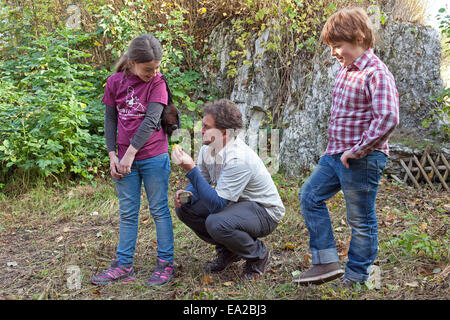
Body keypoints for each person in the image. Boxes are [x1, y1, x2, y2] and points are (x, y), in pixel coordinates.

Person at [293, 7, 399, 287]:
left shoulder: (376, 73)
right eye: (331, 47)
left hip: (362, 159)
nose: (333, 53)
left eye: (337, 46)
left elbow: (387, 117)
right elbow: (344, 117)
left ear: (359, 37)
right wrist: (334, 149)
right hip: (335, 155)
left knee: (360, 219)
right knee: (309, 196)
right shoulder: (345, 71)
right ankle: (326, 262)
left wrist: (359, 149)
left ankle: (357, 276)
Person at [91, 34, 175, 287]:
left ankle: (166, 264)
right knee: (128, 213)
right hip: (123, 160)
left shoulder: (157, 83)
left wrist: (129, 154)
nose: (154, 72)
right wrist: (112, 155)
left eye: (158, 67)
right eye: (149, 69)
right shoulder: (114, 82)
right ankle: (124, 265)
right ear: (133, 63)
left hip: (153, 156)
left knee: (159, 209)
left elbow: (151, 121)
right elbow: (110, 120)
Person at [172, 99, 285, 280]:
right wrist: (186, 194)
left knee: (216, 222)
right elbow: (201, 180)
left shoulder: (238, 159)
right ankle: (230, 251)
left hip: (264, 212)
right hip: (236, 205)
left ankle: (258, 255)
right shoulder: (207, 149)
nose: (201, 131)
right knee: (185, 207)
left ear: (223, 133)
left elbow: (217, 205)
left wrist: (190, 169)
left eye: (207, 127)